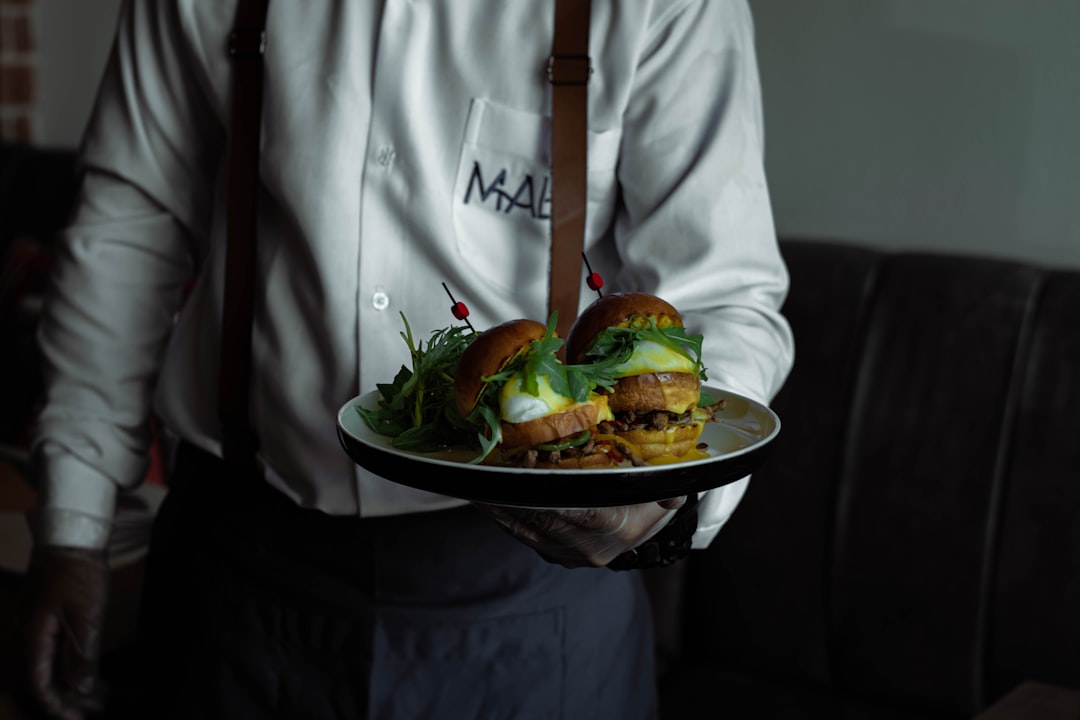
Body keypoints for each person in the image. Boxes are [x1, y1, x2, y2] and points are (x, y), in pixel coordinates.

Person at [19, 0, 794, 718]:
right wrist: (72, 521)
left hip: (534, 601)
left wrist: (661, 507)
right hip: (232, 576)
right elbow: (132, 226)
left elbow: (720, 298)